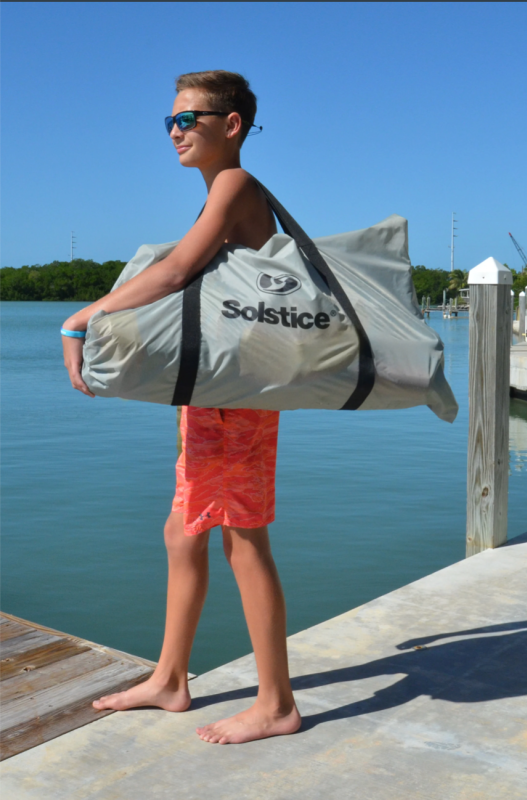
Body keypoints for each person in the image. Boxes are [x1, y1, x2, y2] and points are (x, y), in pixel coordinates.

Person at [61, 70, 302, 745]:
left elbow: (171, 276)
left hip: (239, 400)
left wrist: (81, 317)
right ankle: (170, 678)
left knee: (243, 537)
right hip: (215, 399)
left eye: (186, 119)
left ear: (231, 126)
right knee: (182, 531)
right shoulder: (218, 196)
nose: (173, 131)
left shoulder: (235, 186)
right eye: (168, 120)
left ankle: (277, 702)